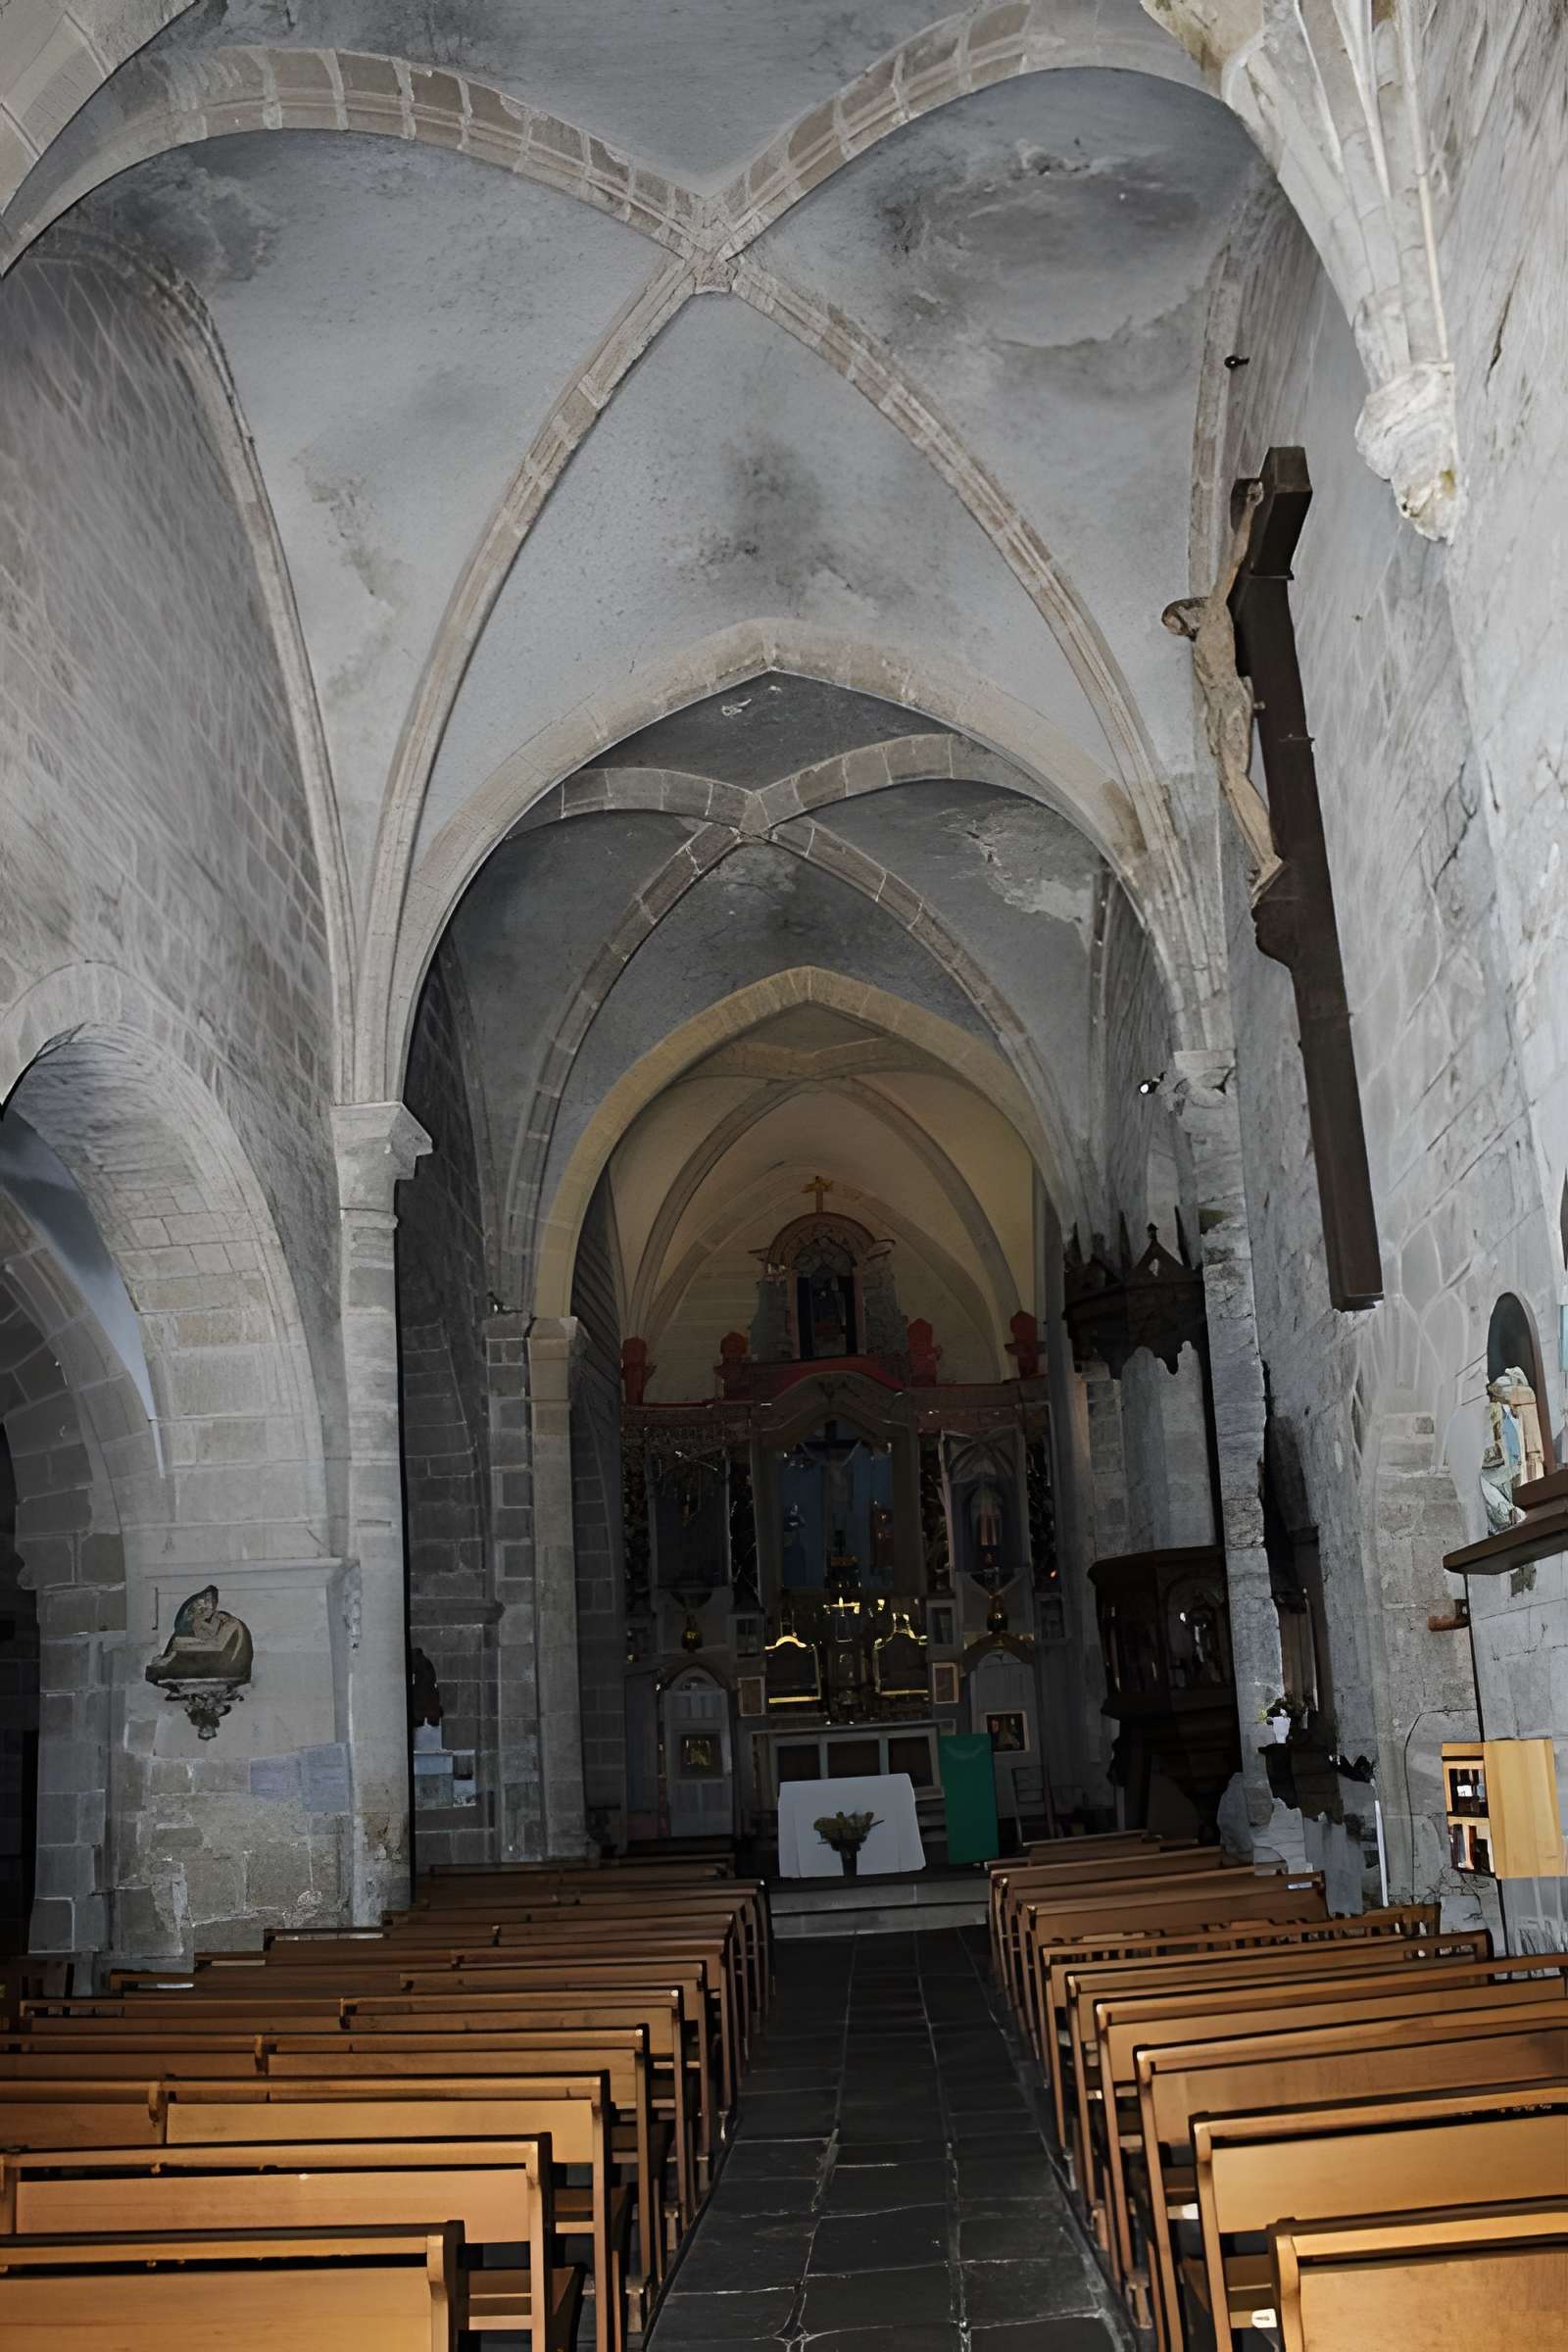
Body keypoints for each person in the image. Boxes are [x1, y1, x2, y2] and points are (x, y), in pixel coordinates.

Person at [146, 1584, 253, 1684]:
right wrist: (198, 1623)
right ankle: (167, 1661)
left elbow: (217, 1645)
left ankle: (166, 1666)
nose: (208, 1609)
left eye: (208, 1603)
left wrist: (186, 1645)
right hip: (225, 1661)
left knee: (180, 1644)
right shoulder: (220, 1622)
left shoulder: (231, 1623)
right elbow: (208, 1637)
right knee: (179, 1641)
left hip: (230, 1666)